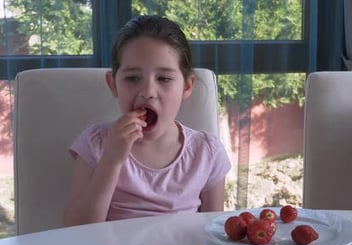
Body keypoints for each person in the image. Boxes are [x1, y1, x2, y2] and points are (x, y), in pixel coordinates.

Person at [63, 15, 231, 226]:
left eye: (164, 79)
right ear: (113, 85)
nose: (148, 92)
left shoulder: (206, 152)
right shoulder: (96, 143)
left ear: (187, 87)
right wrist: (112, 160)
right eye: (133, 78)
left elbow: (213, 231)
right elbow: (74, 231)